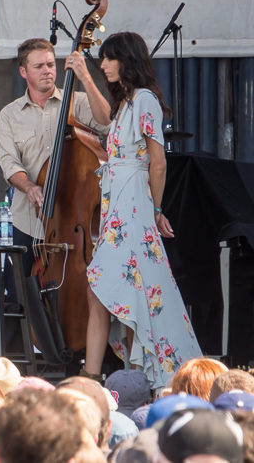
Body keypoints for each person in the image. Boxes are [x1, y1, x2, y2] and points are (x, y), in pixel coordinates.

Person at [66, 31, 202, 388]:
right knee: (107, 287)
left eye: (110, 58)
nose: (104, 64)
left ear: (127, 61)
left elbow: (158, 162)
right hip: (119, 198)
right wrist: (84, 76)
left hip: (132, 201)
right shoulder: (127, 102)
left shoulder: (145, 100)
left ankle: (105, 377)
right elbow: (104, 119)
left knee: (108, 285)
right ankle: (94, 377)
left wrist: (156, 209)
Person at [0, 38, 110, 279]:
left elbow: (108, 125)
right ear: (23, 72)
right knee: (19, 298)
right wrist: (29, 187)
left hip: (74, 219)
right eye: (39, 66)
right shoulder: (9, 114)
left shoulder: (76, 102)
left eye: (50, 64)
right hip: (27, 221)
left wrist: (86, 79)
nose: (47, 71)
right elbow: (9, 162)